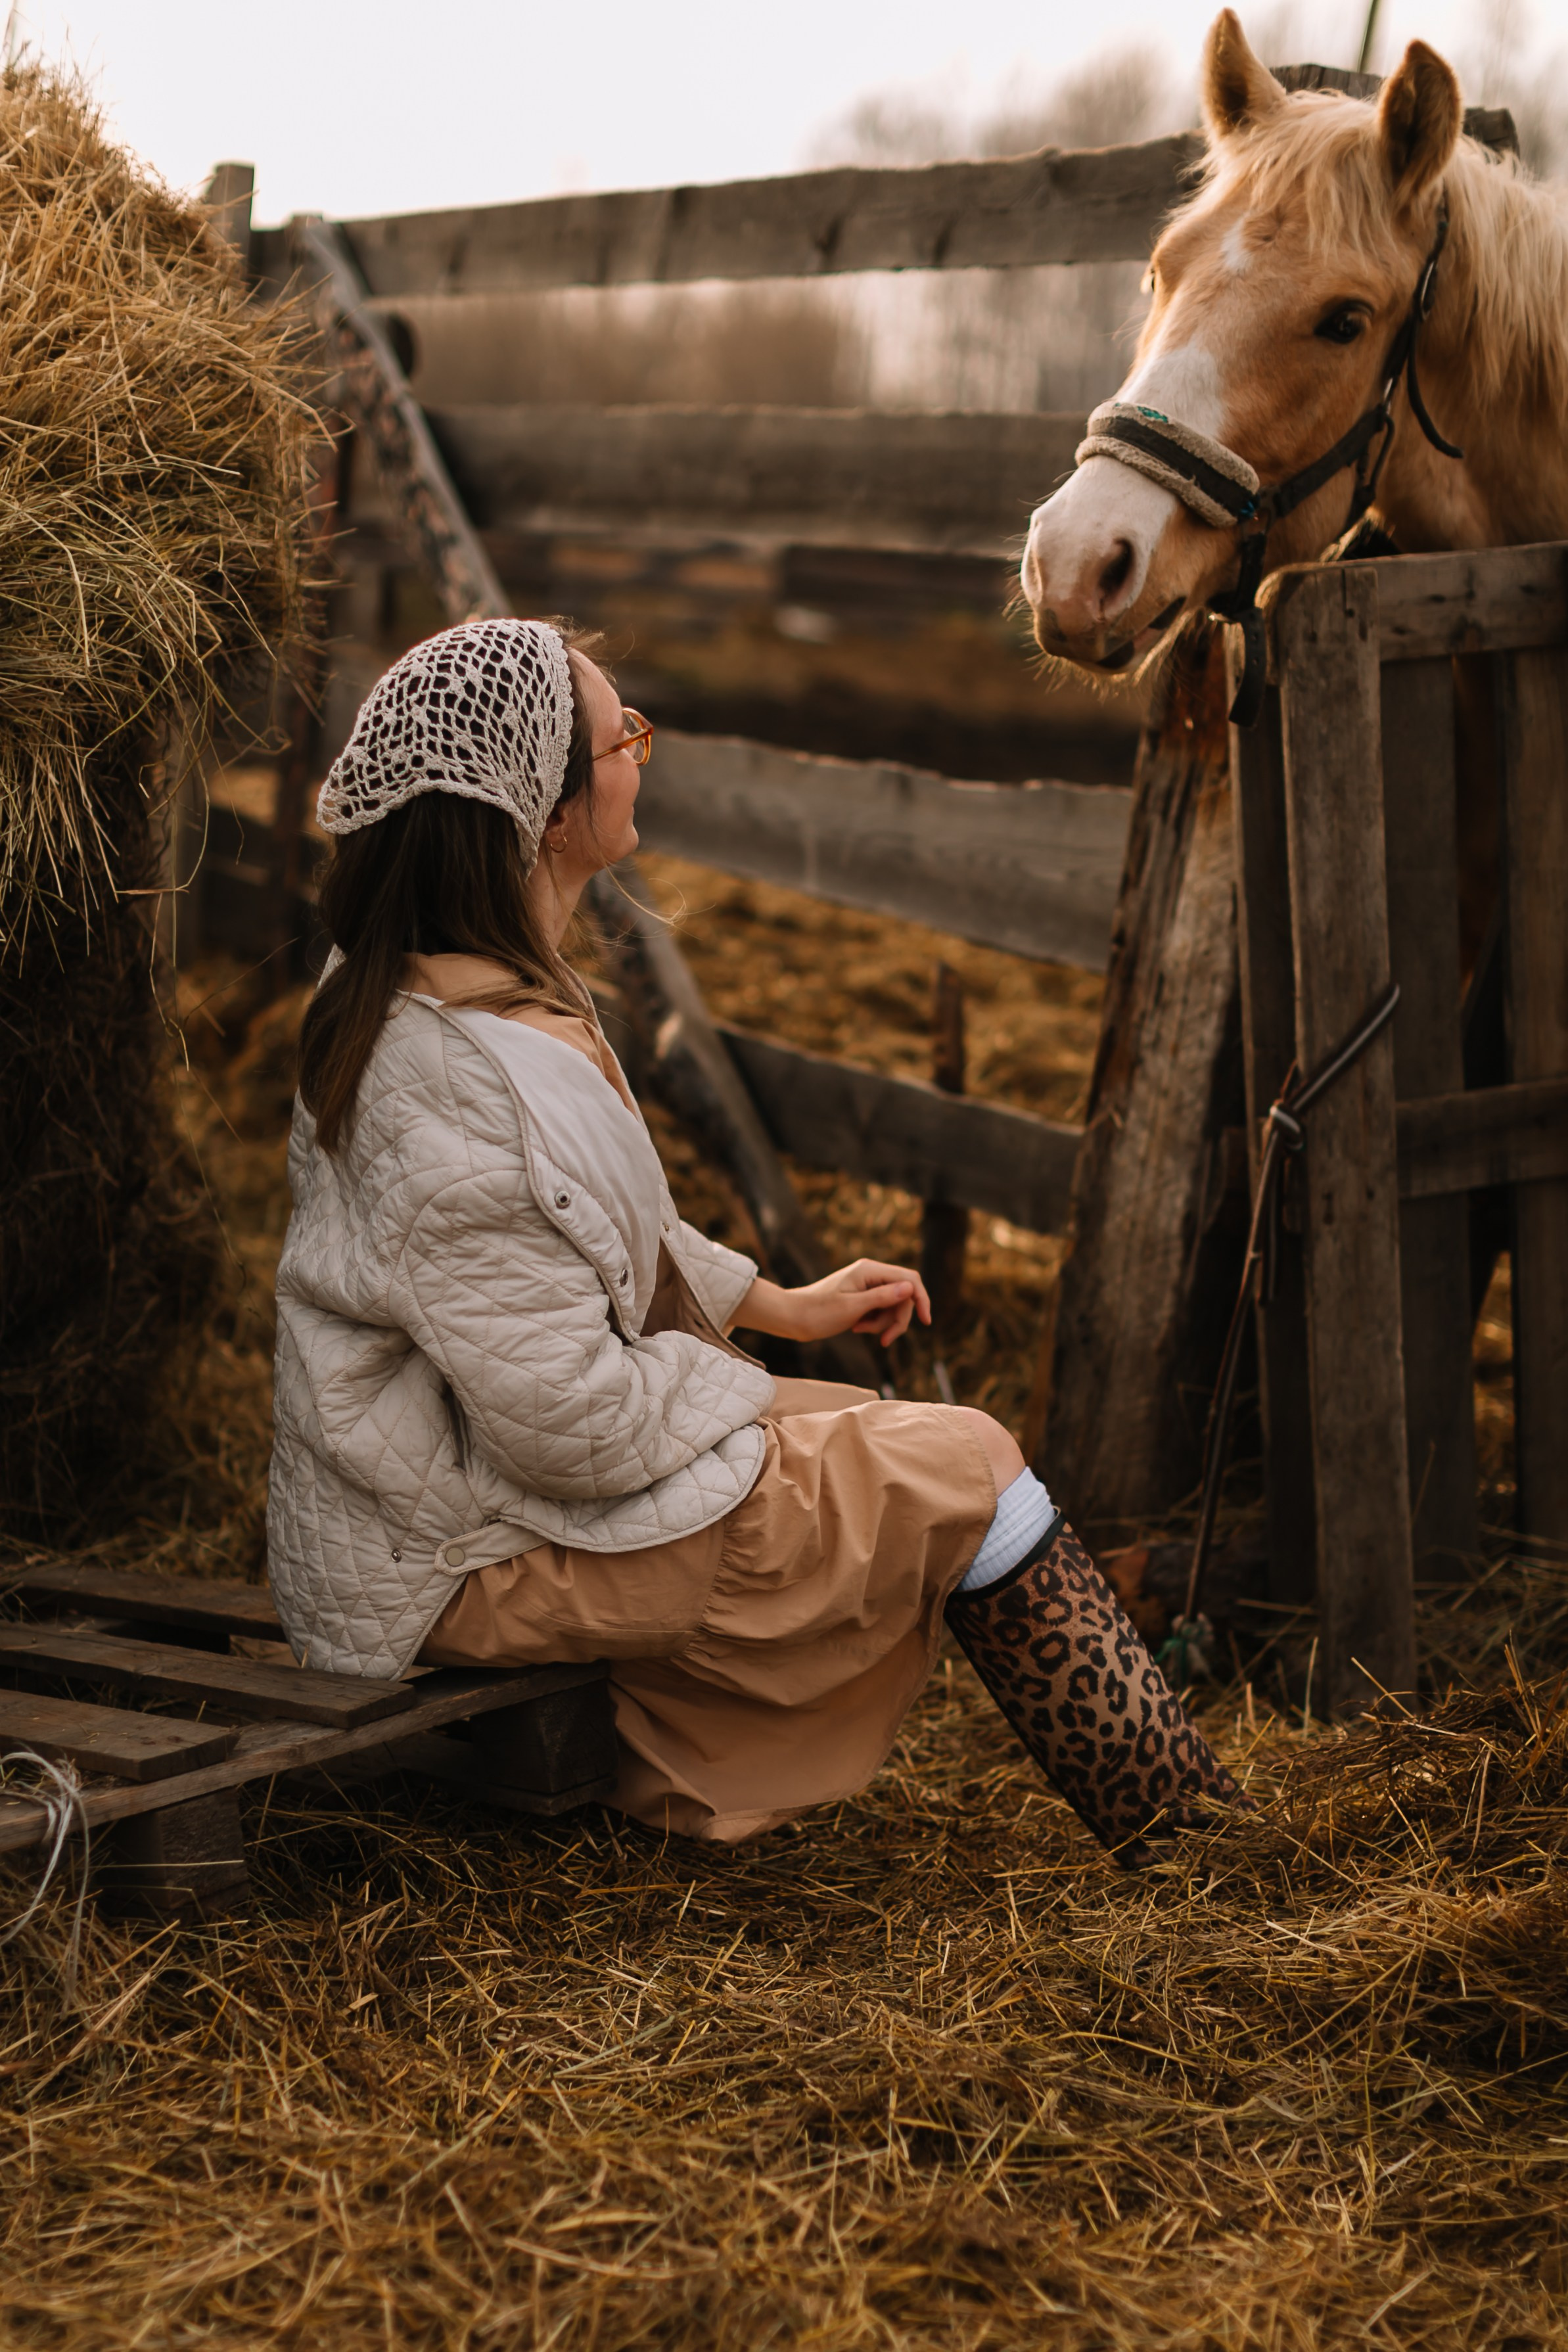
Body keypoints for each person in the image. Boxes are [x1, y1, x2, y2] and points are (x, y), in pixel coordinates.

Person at [267, 617, 1245, 1862]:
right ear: (544, 817)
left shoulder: (467, 989)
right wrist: (755, 1393)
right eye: (622, 737)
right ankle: (1190, 1837)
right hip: (455, 1558)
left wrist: (778, 1307)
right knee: (968, 1462)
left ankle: (1180, 1819)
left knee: (899, 1437)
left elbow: (585, 1231)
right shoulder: (458, 1082)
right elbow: (568, 1421)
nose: (641, 753)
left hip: (470, 1491)